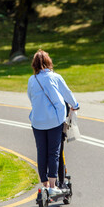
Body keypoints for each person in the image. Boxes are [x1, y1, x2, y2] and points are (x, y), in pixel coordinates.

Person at [27, 49, 79, 195]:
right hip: (54, 121)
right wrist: (75, 105)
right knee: (54, 152)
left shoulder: (32, 80)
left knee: (41, 151)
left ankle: (44, 184)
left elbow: (31, 98)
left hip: (37, 121)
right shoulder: (55, 77)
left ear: (34, 64)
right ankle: (52, 185)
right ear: (49, 62)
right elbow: (67, 93)